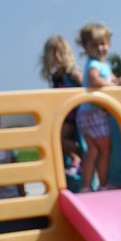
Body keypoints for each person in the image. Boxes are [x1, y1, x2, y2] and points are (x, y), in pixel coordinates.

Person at [75, 22, 121, 191]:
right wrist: (114, 86)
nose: (100, 48)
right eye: (94, 45)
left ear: (108, 44)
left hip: (85, 113)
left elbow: (112, 79)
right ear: (85, 47)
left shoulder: (103, 65)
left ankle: (86, 186)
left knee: (92, 151)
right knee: (105, 150)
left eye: (103, 44)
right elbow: (94, 80)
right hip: (94, 113)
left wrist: (120, 80)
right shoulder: (94, 65)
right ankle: (102, 184)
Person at [40, 34, 83, 178]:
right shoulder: (56, 76)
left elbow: (85, 86)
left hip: (73, 114)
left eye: (61, 55)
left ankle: (77, 156)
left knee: (58, 137)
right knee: (51, 136)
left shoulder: (72, 73)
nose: (58, 59)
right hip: (63, 114)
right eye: (54, 56)